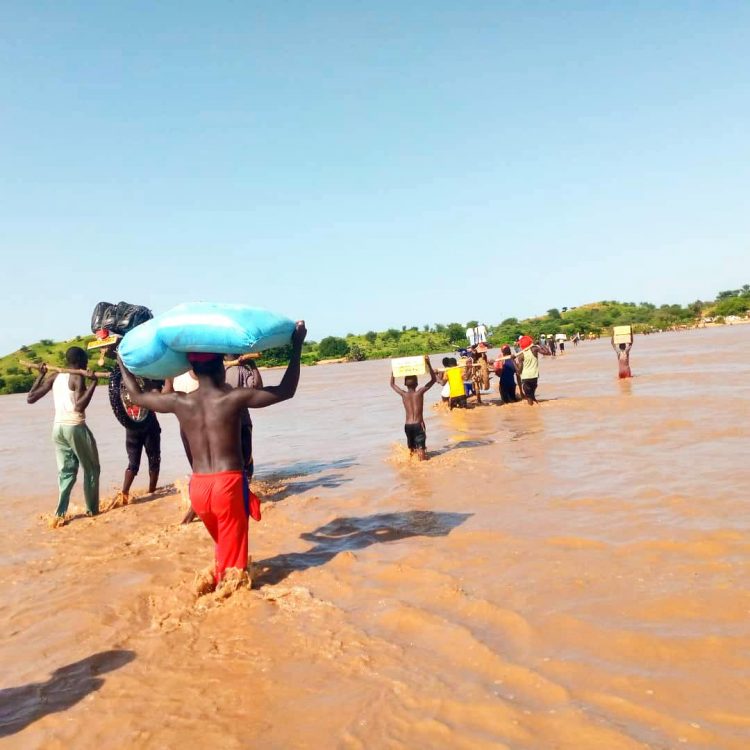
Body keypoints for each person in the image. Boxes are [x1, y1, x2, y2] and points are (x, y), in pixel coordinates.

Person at [117, 321, 307, 589]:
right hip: (227, 487)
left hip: (199, 490)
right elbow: (286, 390)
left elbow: (136, 396)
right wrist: (297, 345)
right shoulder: (232, 398)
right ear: (221, 368)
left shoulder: (179, 401)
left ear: (192, 370)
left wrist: (120, 361)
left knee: (224, 555)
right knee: (234, 575)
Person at [26, 347, 100, 526]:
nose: (87, 363)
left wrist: (41, 375)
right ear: (80, 361)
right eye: (85, 360)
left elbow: (31, 397)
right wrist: (94, 384)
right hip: (74, 426)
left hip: (57, 428)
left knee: (66, 473)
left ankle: (60, 514)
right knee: (91, 469)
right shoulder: (77, 377)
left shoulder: (55, 376)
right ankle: (92, 510)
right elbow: (79, 407)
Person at [389, 357, 436, 460]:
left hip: (407, 426)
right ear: (417, 383)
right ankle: (422, 466)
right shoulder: (420, 392)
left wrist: (394, 370)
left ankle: (411, 467)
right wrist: (428, 364)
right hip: (418, 424)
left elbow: (392, 384)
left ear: (405, 384)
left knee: (411, 449)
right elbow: (433, 379)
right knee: (421, 449)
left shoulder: (403, 394)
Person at [515, 335, 551, 405]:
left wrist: (512, 360)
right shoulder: (534, 349)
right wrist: (540, 345)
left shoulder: (521, 355)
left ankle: (531, 412)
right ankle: (535, 409)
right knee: (532, 396)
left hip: (526, 378)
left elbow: (519, 371)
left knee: (529, 398)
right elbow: (548, 353)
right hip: (534, 377)